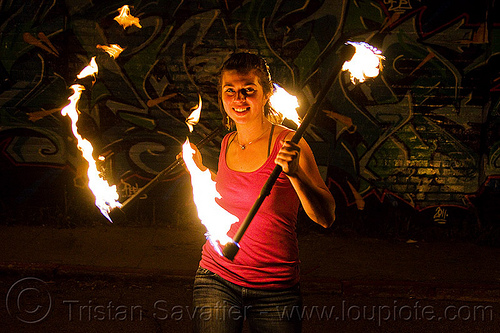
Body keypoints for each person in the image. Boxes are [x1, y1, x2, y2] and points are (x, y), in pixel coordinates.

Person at [189, 52, 336, 332]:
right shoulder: (227, 142)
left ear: (267, 93)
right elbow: (233, 195)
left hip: (275, 288)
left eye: (248, 90)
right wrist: (198, 171)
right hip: (216, 276)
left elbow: (326, 217)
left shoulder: (291, 144)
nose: (238, 99)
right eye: (229, 91)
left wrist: (295, 175)